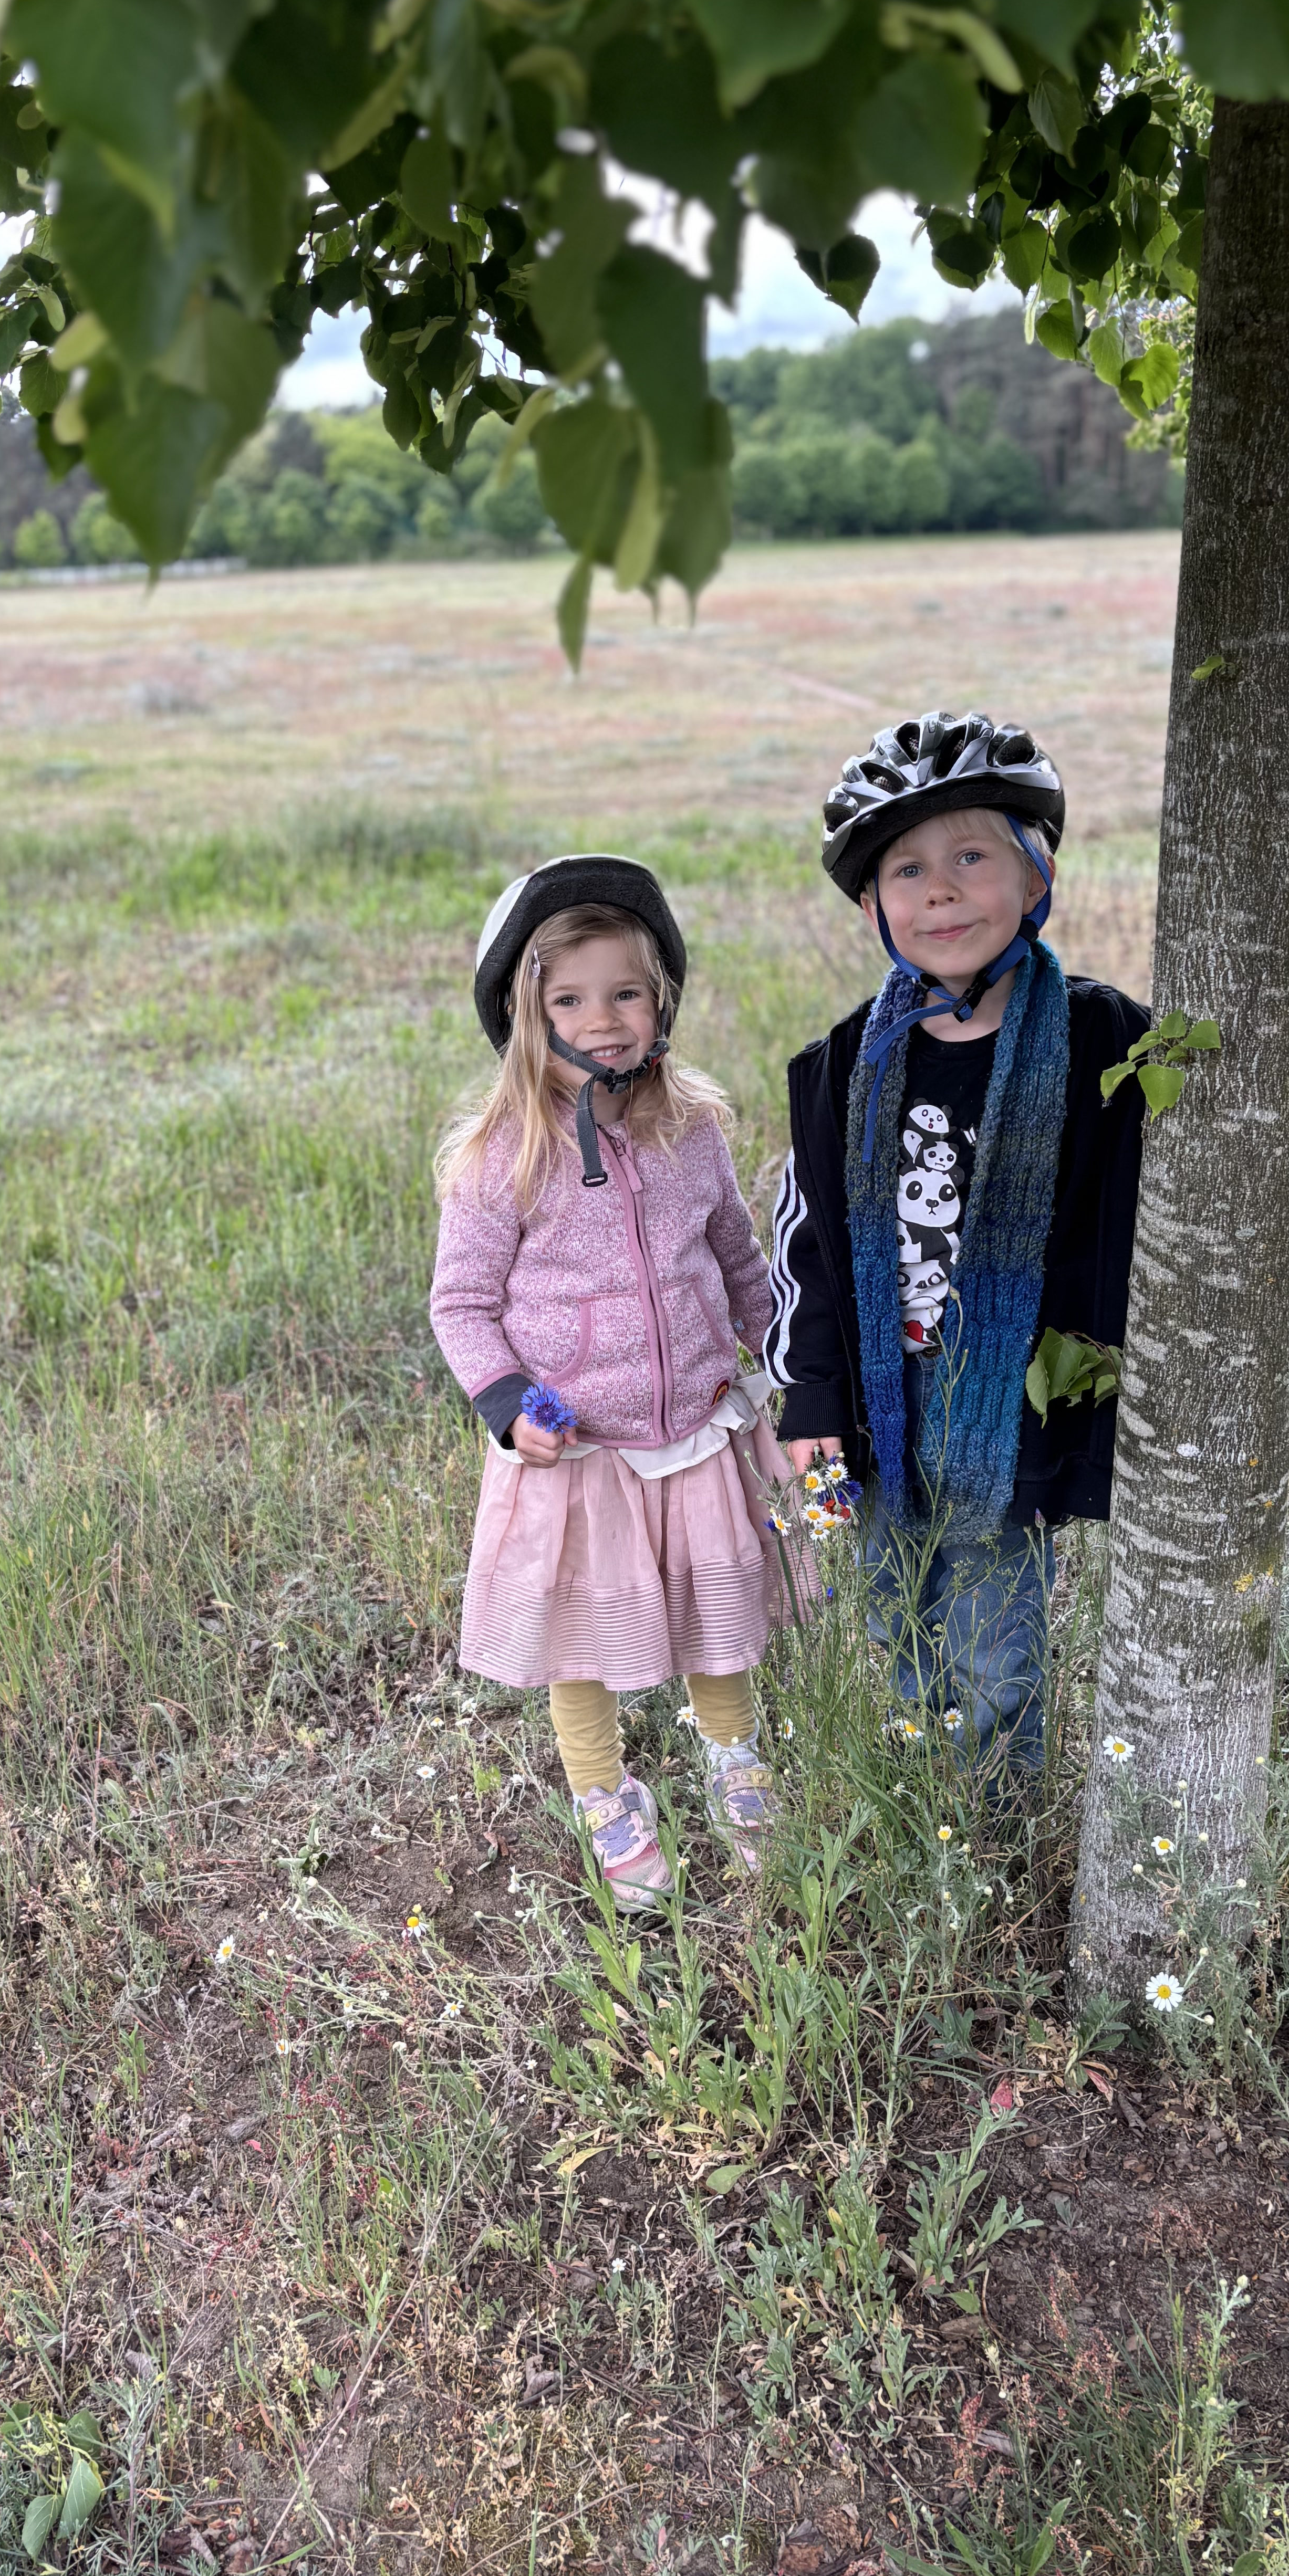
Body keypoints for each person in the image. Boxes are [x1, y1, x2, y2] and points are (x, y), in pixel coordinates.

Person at [767, 716, 1148, 1785]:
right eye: (908, 870)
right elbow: (810, 1248)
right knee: (889, 1616)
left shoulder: (1104, 1042)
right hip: (875, 1408)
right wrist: (809, 1398)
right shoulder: (844, 1065)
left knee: (994, 1641)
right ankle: (912, 1806)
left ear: (1037, 879)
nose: (941, 892)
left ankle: (991, 1829)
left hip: (1010, 1406)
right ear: (871, 905)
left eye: (972, 857)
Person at [430, 856, 808, 1910]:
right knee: (580, 1640)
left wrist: (783, 1355)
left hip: (692, 1425)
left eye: (626, 993)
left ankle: (739, 1768)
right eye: (570, 999)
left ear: (662, 1002)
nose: (603, 1020)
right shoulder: (503, 1153)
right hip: (576, 1447)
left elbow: (736, 1257)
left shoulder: (692, 1129)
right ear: (527, 1013)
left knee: (717, 1618)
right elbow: (461, 1305)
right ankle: (605, 1797)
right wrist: (508, 1404)